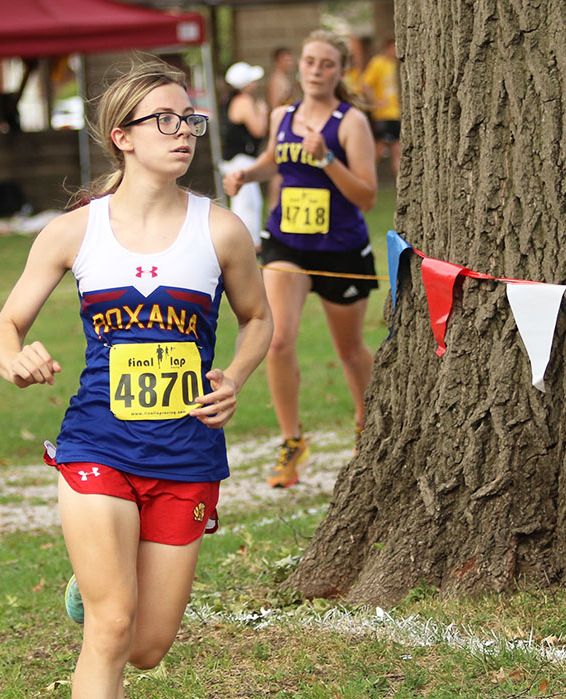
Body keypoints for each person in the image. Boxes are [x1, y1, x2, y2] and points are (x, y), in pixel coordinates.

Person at [0, 58, 272, 698]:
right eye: (164, 120)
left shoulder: (221, 231)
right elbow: (4, 328)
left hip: (186, 450)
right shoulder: (74, 232)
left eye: (190, 120)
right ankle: (104, 582)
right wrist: (17, 360)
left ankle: (94, 582)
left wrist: (236, 376)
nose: (183, 132)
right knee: (113, 628)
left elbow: (258, 319)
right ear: (123, 135)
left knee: (145, 646)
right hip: (98, 443)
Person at [223, 29, 378, 489]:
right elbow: (276, 159)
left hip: (341, 249)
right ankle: (292, 442)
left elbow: (367, 195)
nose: (315, 70)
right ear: (299, 66)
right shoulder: (282, 115)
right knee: (277, 339)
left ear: (339, 71)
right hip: (286, 244)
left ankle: (366, 430)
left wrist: (327, 157)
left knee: (349, 350)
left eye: (326, 63)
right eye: (309, 61)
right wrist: (246, 174)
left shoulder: (350, 122)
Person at [218, 61, 269, 247]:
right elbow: (258, 130)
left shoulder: (228, 100)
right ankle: (248, 243)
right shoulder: (244, 101)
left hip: (234, 159)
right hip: (242, 159)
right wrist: (263, 113)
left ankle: (247, 241)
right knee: (248, 203)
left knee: (246, 201)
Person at [265, 47, 299, 212]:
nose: (290, 63)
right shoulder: (276, 81)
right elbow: (275, 108)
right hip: (281, 128)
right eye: (286, 59)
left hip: (288, 125)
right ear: (278, 60)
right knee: (279, 168)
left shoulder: (285, 79)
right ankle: (273, 205)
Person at [360, 37, 401, 176]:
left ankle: (400, 185)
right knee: (379, 148)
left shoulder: (396, 64)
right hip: (383, 114)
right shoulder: (378, 63)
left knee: (397, 149)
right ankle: (365, 175)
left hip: (396, 113)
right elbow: (365, 84)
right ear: (388, 47)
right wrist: (375, 102)